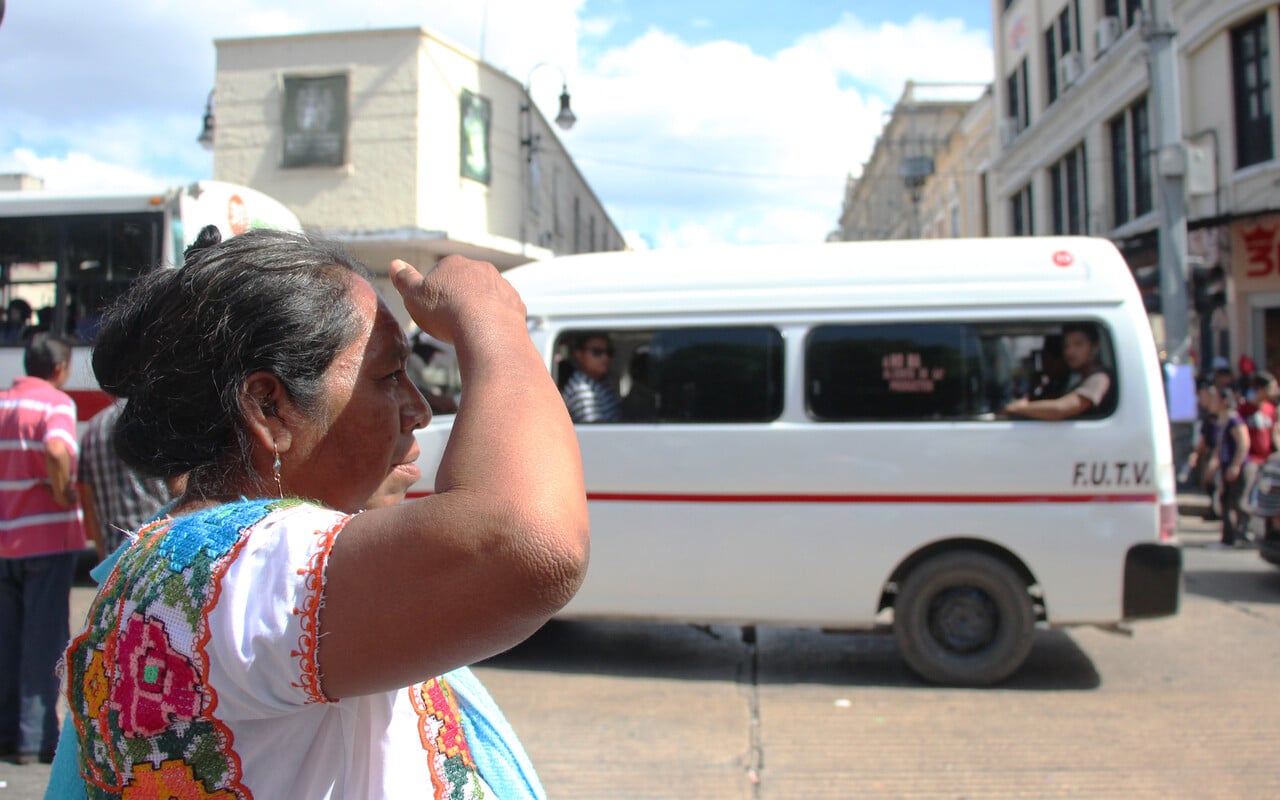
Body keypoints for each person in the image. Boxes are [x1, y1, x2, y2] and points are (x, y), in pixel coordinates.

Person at [52, 227, 589, 798]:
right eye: (387, 377)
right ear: (268, 407)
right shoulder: (228, 570)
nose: (420, 409)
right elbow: (527, 542)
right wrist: (493, 322)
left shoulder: (191, 571)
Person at [0, 333, 83, 765]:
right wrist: (62, 490)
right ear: (60, 369)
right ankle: (35, 739)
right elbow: (56, 448)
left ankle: (8, 732)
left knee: (7, 639)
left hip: (4, 541)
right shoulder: (55, 404)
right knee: (43, 640)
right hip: (46, 539)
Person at [76, 400, 179, 562]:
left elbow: (89, 506)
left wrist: (102, 556)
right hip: (157, 541)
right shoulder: (154, 417)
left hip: (115, 550)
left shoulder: (93, 428)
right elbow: (178, 487)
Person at [1003, 323, 1113, 420]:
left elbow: (1061, 408)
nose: (1070, 352)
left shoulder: (1099, 378)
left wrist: (1019, 408)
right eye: (1066, 346)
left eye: (1078, 344)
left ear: (1095, 347)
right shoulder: (1079, 379)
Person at [1207, 385, 1250, 547]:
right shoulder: (1221, 420)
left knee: (1237, 502)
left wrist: (1235, 465)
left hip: (1236, 466)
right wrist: (1214, 463)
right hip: (1225, 465)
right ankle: (1228, 538)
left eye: (1215, 399)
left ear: (1224, 401)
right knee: (1225, 501)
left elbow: (1243, 444)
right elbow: (1219, 446)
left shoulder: (1235, 420)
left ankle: (1242, 535)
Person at [561, 331, 621, 423]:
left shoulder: (602, 382)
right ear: (579, 354)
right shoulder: (581, 390)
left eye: (609, 352)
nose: (605, 357)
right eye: (597, 352)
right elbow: (596, 433)